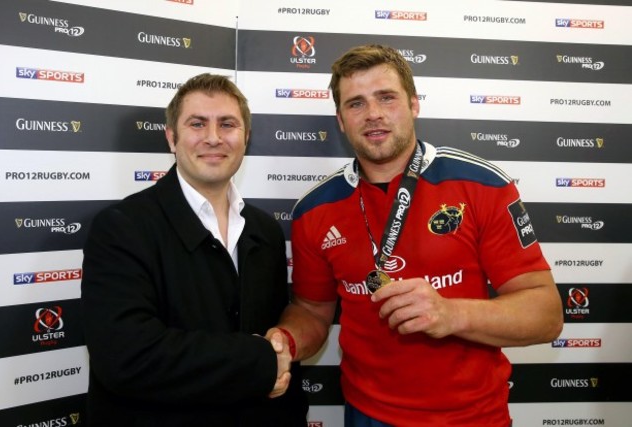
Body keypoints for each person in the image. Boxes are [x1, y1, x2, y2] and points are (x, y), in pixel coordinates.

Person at [267, 44, 564, 426]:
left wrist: (450, 313)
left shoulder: (481, 185)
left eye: (386, 97)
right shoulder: (313, 210)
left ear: (413, 104)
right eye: (355, 104)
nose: (373, 114)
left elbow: (547, 314)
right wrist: (286, 341)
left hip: (474, 416)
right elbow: (311, 310)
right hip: (366, 414)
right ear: (340, 120)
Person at [81, 73, 308, 426]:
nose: (214, 137)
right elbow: (126, 357)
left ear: (245, 137)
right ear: (172, 138)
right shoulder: (122, 227)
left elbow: (276, 345)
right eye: (197, 124)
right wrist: (259, 360)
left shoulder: (265, 232)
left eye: (227, 124)